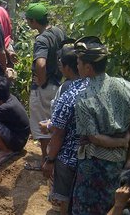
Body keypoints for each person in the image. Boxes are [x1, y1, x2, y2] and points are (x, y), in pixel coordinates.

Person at [71, 36, 130, 215]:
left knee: (88, 209)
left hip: (94, 167)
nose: (76, 66)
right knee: (114, 205)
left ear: (88, 67)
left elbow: (94, 137)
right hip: (120, 162)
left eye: (78, 62)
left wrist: (121, 142)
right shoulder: (128, 87)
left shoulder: (84, 99)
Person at [41, 43, 88, 214]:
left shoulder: (67, 90)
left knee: (65, 197)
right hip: (88, 154)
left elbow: (58, 129)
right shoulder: (93, 86)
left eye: (61, 64)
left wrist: (49, 159)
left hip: (67, 154)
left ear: (68, 67)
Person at [24, 3, 65, 171]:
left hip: (45, 87)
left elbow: (40, 64)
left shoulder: (41, 39)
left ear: (34, 21)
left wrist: (40, 80)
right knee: (53, 123)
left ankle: (45, 161)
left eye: (28, 20)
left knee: (42, 126)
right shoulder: (58, 31)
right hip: (57, 84)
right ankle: (54, 158)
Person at [0, 76, 30, 165]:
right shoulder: (5, 98)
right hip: (16, 134)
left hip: (18, 142)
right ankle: (1, 144)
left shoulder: (6, 107)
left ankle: (6, 151)